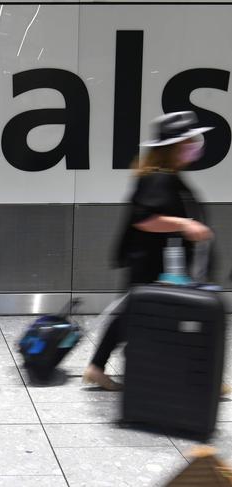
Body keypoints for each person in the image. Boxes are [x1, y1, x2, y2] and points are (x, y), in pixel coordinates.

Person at [83, 111, 214, 390]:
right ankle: (98, 366)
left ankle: (198, 372)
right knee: (135, 313)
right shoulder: (158, 178)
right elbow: (144, 219)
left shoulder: (169, 176)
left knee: (140, 313)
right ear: (174, 147)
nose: (195, 146)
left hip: (161, 261)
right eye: (189, 141)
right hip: (151, 261)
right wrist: (185, 224)